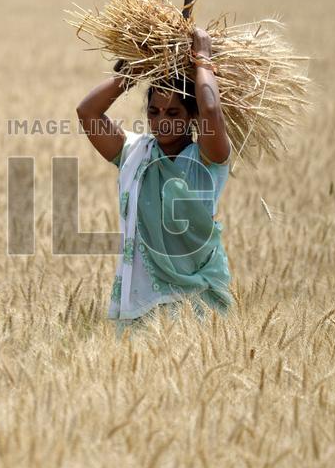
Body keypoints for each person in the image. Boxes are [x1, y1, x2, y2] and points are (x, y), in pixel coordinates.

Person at [75, 27, 234, 338]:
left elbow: (212, 109)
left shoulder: (208, 157)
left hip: (198, 297)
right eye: (154, 111)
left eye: (173, 112)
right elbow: (87, 112)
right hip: (145, 301)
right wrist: (132, 72)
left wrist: (202, 59)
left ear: (192, 117)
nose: (162, 120)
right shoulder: (134, 153)